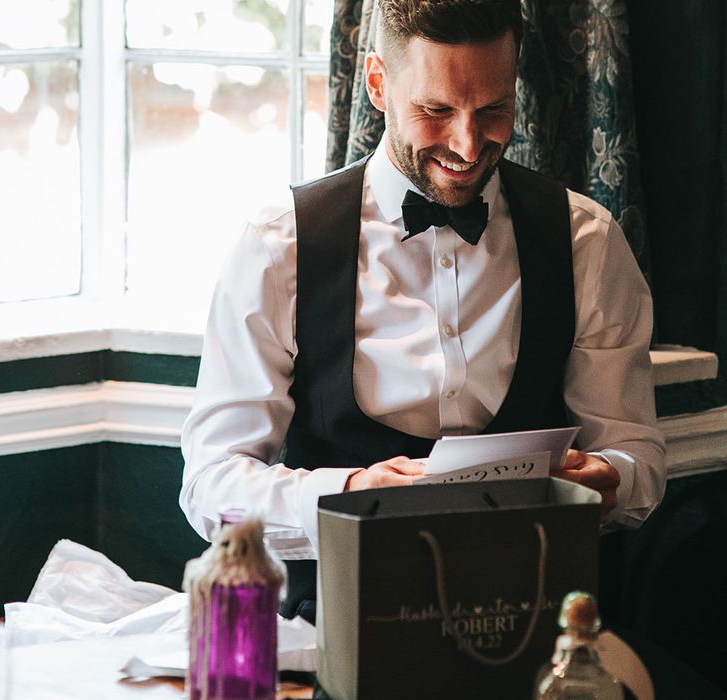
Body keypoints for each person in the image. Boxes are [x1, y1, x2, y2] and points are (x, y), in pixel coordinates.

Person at [180, 0, 665, 622]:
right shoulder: (280, 248)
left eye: (493, 109)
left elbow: (639, 458)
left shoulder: (585, 242)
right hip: (335, 622)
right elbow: (210, 486)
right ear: (379, 83)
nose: (468, 143)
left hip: (534, 618)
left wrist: (611, 479)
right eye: (436, 111)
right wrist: (348, 494)